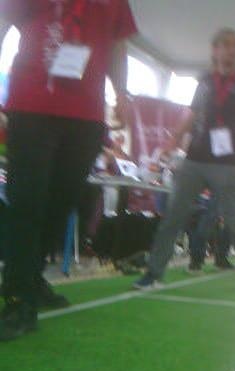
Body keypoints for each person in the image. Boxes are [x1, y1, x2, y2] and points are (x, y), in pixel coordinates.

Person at [0, 0, 137, 341]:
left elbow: (118, 44)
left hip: (87, 115)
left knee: (62, 204)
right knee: (26, 202)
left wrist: (121, 92)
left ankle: (31, 279)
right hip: (31, 103)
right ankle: (17, 298)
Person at [134, 28, 235, 291]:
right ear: (215, 50)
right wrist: (173, 141)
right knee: (173, 215)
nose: (232, 50)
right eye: (226, 45)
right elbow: (192, 114)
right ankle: (153, 273)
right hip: (195, 159)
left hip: (228, 164)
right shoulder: (205, 80)